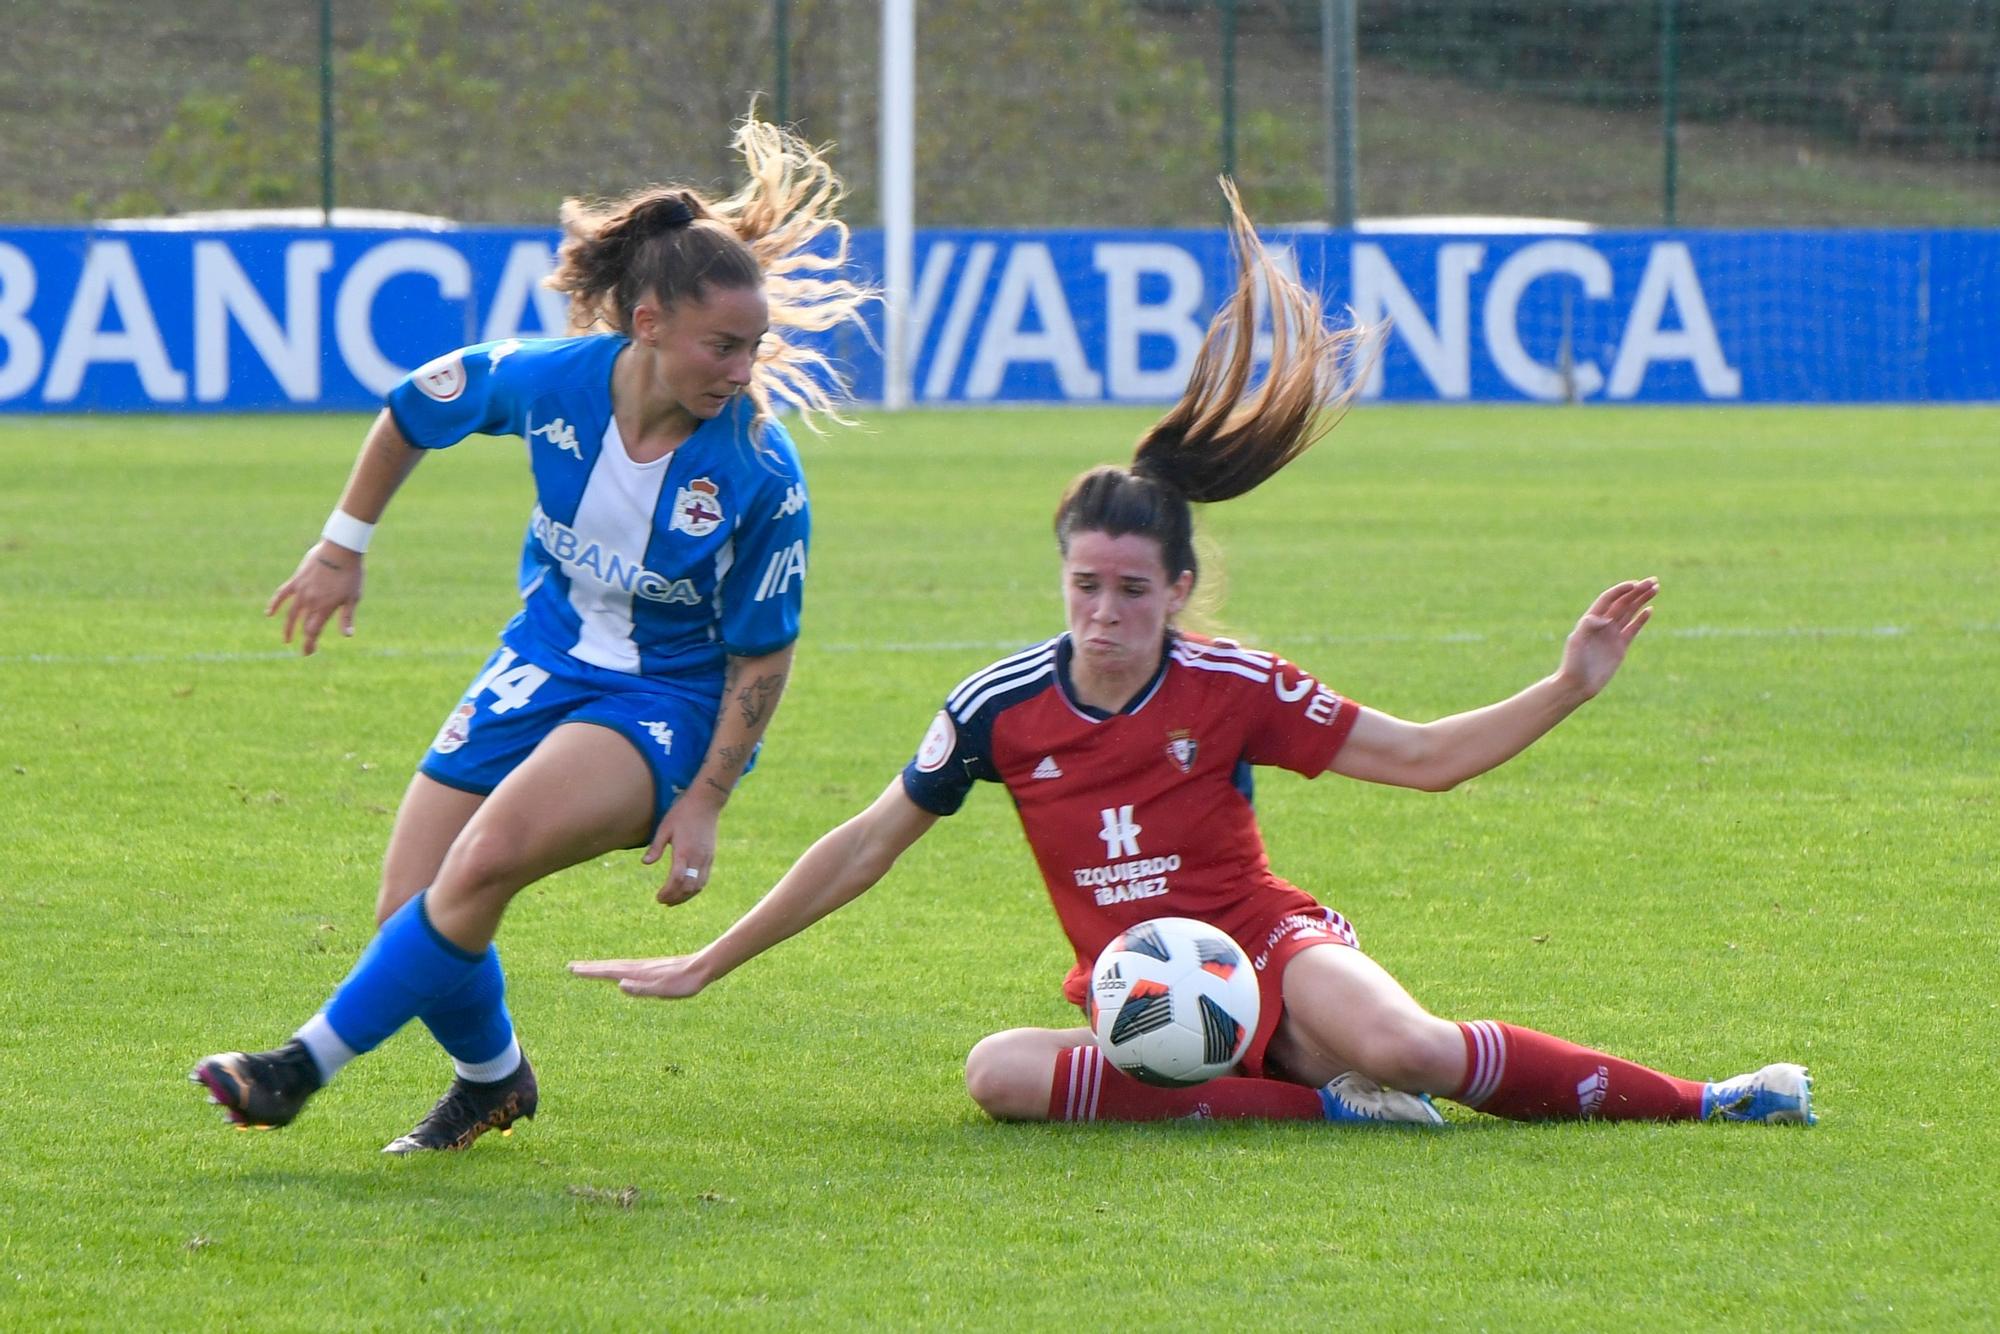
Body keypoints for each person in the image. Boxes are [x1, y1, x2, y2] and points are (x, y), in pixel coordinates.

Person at [571, 182, 1815, 1130]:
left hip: (1265, 942)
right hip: (1141, 990)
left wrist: (1565, 684)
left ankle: (1709, 1097)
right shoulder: (999, 706)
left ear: (1175, 589)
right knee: (997, 1076)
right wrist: (707, 958)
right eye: (1082, 587)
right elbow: (863, 842)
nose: (1101, 613)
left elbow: (1426, 760)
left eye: (1128, 590)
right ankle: (1315, 1102)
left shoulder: (1233, 686)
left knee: (1420, 1052)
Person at [191, 117, 872, 1152]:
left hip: (664, 700)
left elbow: (762, 652)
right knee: (409, 907)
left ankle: (297, 1067)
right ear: (647, 322)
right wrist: (342, 544)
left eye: (753, 346)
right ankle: (494, 1076)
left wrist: (705, 799)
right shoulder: (552, 379)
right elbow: (415, 406)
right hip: (543, 656)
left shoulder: (759, 476)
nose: (743, 369)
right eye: (721, 344)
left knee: (486, 856)